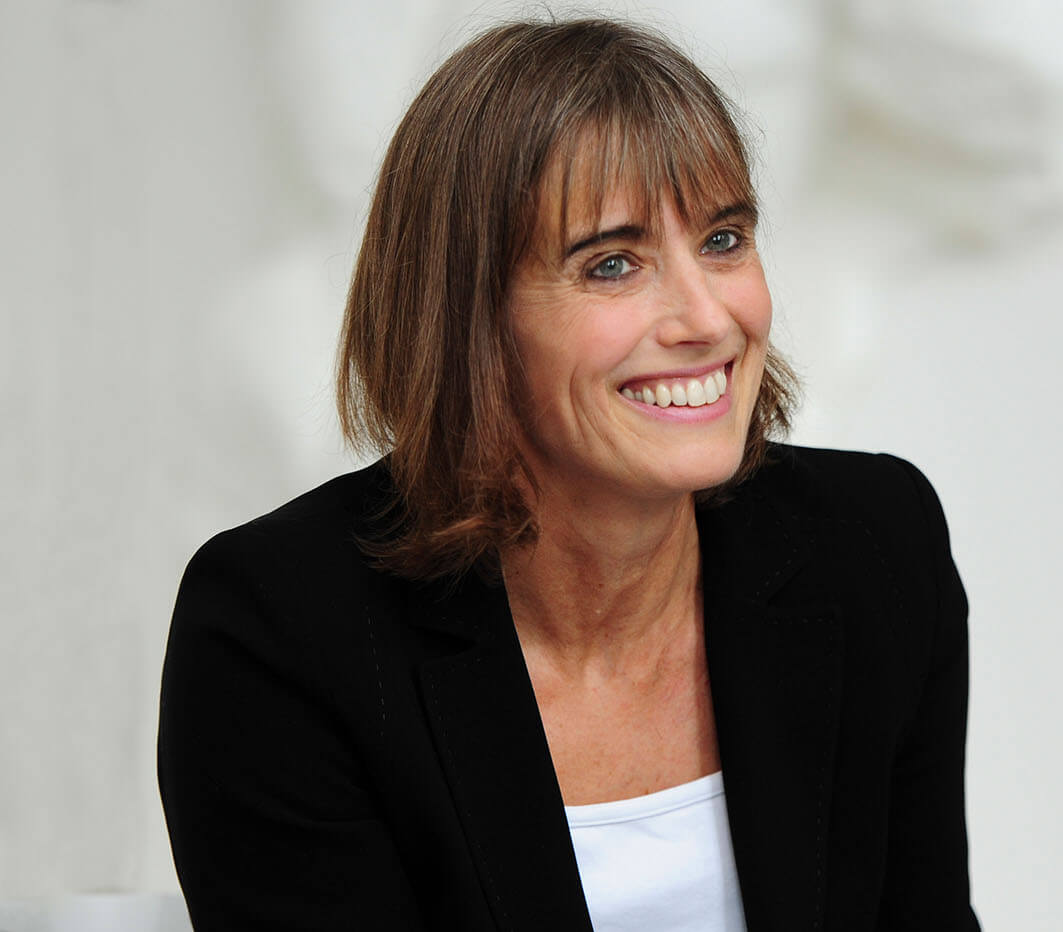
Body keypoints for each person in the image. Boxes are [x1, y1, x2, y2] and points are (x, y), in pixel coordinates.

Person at [158, 18, 979, 931]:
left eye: (722, 239)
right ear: (466, 321)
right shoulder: (279, 630)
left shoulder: (874, 543)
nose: (707, 318)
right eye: (614, 264)